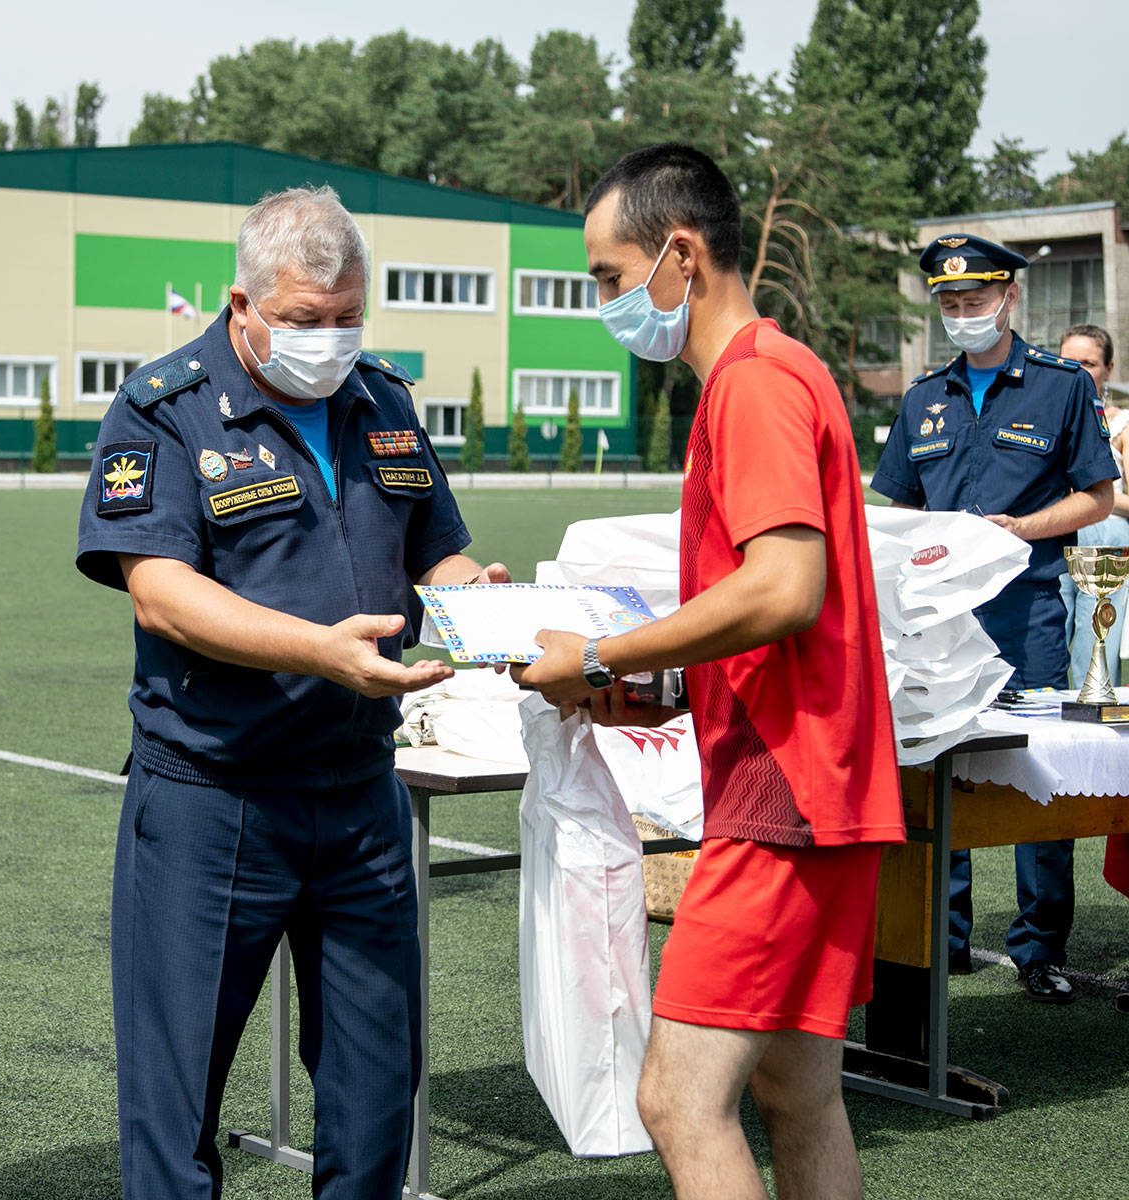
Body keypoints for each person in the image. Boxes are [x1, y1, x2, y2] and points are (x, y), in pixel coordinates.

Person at [75, 185, 509, 1200]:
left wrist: (480, 602)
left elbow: (438, 553)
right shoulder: (164, 409)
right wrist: (320, 649)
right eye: (306, 321)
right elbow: (162, 595)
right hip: (214, 796)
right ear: (242, 306)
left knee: (373, 1090)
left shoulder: (386, 400)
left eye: (350, 317)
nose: (331, 341)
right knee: (176, 1100)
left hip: (360, 793)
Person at [517, 144, 902, 1200]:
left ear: (680, 254)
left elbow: (785, 588)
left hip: (787, 794)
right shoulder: (775, 372)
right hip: (827, 787)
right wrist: (656, 685)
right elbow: (776, 623)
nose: (606, 302)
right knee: (798, 1092)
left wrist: (598, 652)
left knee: (679, 1100)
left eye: (609, 276)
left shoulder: (755, 383)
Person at [871, 236, 1116, 1003]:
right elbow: (900, 505)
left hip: (1029, 613)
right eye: (949, 305)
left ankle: (1039, 949)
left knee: (1036, 779)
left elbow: (1097, 498)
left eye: (974, 301)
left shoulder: (1061, 386)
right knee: (942, 771)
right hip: (937, 620)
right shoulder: (923, 397)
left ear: (1010, 298)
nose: (962, 315)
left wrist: (1022, 530)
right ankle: (943, 939)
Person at [1056, 323, 1129, 688]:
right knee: (1051, 635)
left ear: (1109, 369)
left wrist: (1092, 499)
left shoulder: (1121, 424)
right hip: (1051, 532)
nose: (1080, 370)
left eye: (1090, 363)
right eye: (1069, 361)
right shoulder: (1044, 417)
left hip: (1103, 536)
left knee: (1094, 644)